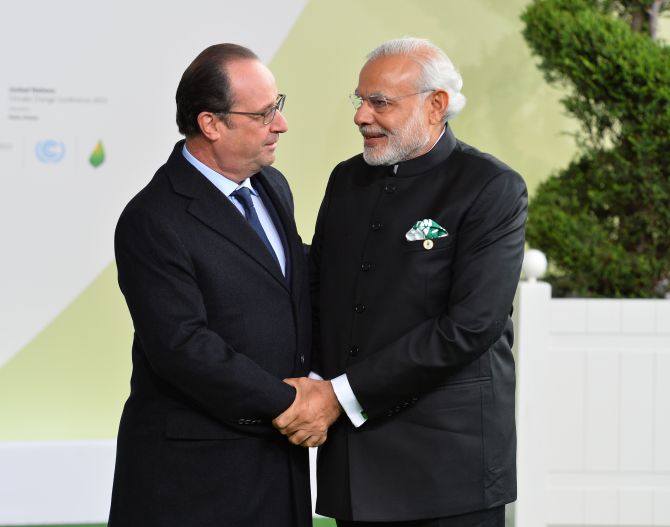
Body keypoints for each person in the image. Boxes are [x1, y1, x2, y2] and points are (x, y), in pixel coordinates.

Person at [275, 37, 528, 526]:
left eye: (380, 103)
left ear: (436, 106)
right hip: (356, 464)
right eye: (360, 100)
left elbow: (471, 326)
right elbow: (320, 292)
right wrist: (307, 383)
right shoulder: (346, 180)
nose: (361, 116)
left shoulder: (491, 187)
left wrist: (339, 396)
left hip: (449, 468)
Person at [108, 43, 313, 527]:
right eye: (264, 114)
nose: (280, 125)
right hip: (194, 480)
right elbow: (183, 347)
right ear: (211, 124)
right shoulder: (152, 218)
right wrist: (293, 404)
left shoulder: (272, 186)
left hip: (277, 466)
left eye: (277, 107)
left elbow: (289, 296)